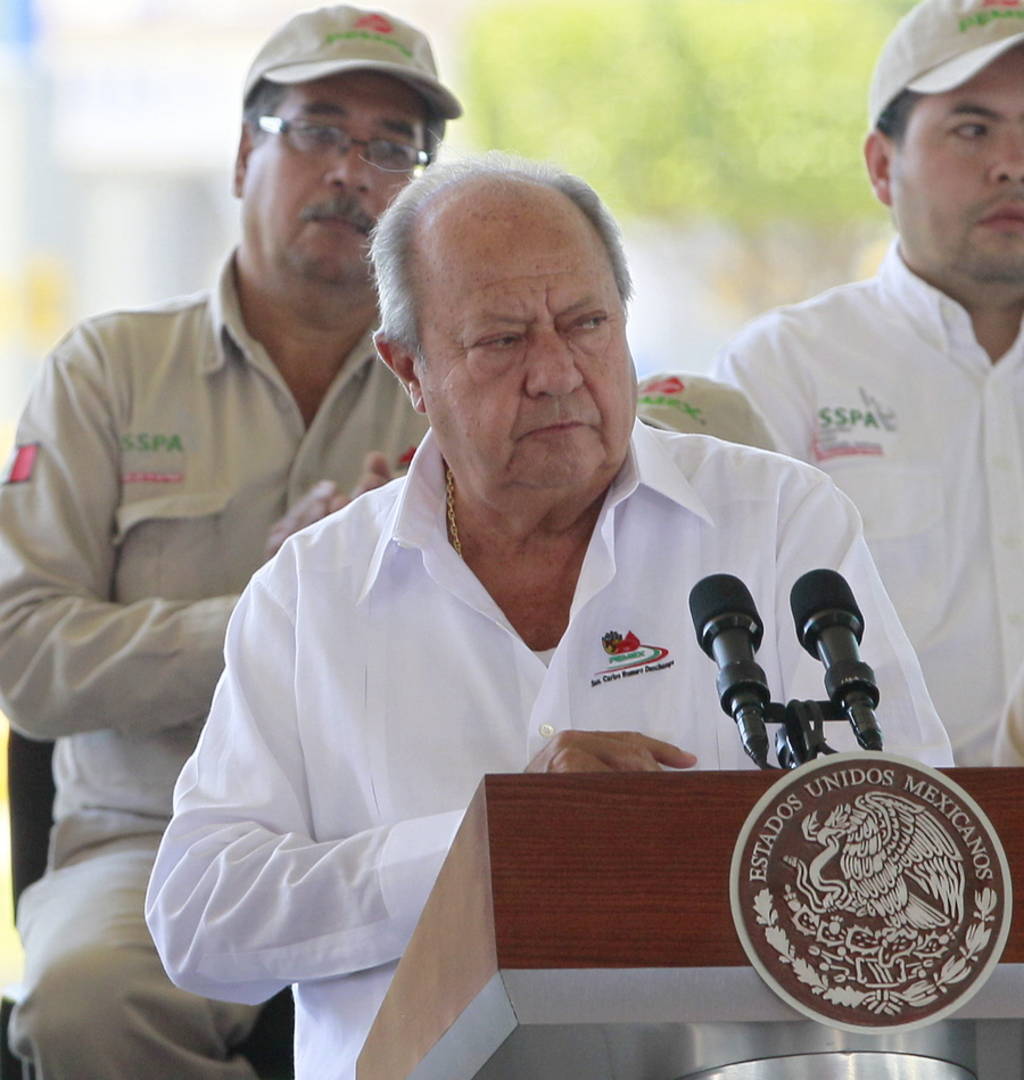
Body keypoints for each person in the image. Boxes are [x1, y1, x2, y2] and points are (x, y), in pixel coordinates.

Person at [145, 153, 952, 1080]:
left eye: (586, 323)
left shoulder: (776, 522)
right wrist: (490, 850)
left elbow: (913, 829)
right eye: (501, 340)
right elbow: (199, 918)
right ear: (408, 368)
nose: (558, 373)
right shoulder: (311, 593)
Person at [0, 6, 461, 1077]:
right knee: (87, 1005)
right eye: (317, 129)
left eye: (392, 146)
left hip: (404, 833)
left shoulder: (463, 382)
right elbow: (23, 657)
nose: (350, 171)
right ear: (245, 151)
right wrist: (272, 611)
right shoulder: (109, 372)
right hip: (154, 843)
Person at [711, 0, 1024, 766]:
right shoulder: (781, 371)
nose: (1013, 164)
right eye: (973, 129)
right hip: (862, 827)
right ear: (883, 166)